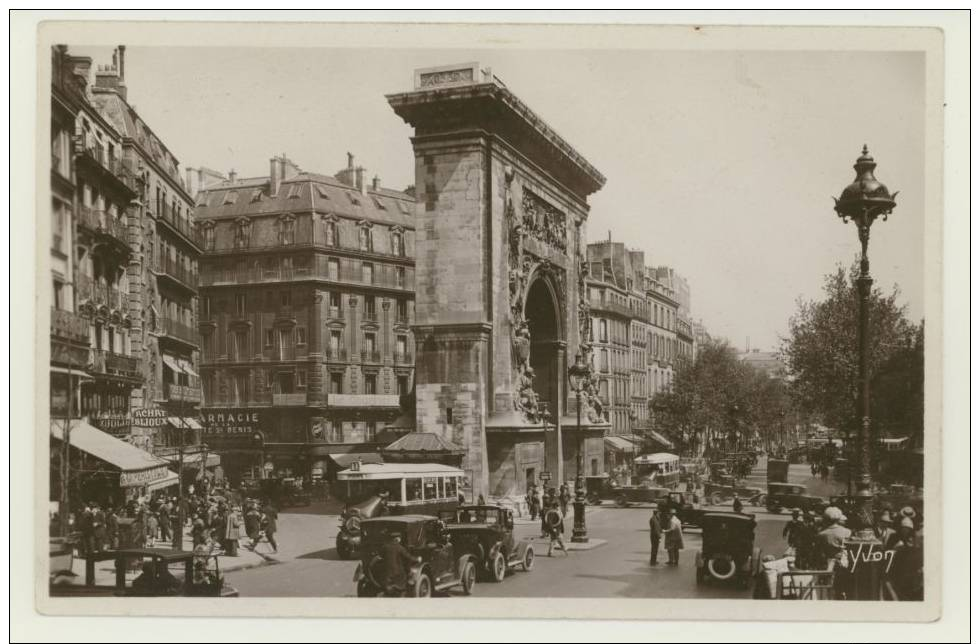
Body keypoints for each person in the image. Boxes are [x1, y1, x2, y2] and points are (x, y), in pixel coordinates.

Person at [379, 531, 420, 596]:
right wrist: (417, 559)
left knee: (388, 590)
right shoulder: (400, 548)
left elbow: (380, 556)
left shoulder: (385, 547)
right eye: (399, 538)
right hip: (398, 574)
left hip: (386, 573)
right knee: (402, 589)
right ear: (397, 539)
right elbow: (408, 557)